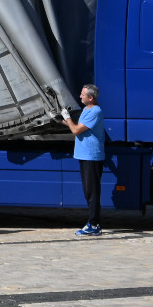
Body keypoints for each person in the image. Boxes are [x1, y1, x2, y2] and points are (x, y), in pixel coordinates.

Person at [63, 83, 107, 237]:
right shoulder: (87, 109)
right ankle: (94, 223)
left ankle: (94, 224)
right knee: (88, 191)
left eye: (83, 94)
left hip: (91, 156)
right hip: (84, 155)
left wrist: (67, 118)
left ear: (91, 98)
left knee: (92, 191)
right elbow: (76, 126)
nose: (80, 96)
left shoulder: (95, 111)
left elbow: (76, 130)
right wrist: (60, 120)